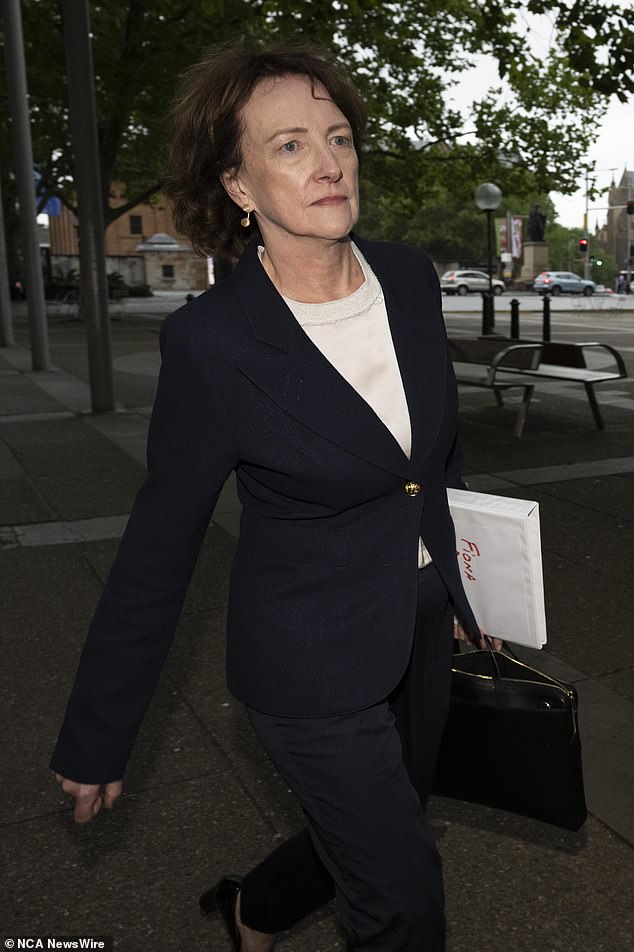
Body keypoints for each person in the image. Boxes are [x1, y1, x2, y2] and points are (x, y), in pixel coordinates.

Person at [51, 42, 486, 952]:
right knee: (405, 896)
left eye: (337, 137)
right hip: (307, 662)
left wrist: (455, 577)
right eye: (289, 146)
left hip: (419, 621)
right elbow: (159, 547)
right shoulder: (214, 345)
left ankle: (254, 909)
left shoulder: (408, 278)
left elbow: (428, 455)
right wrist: (100, 734)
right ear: (240, 185)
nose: (328, 162)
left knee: (384, 823)